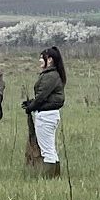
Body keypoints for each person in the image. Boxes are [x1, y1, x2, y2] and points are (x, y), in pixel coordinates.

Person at [21, 46, 67, 178]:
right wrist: (32, 104)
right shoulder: (54, 74)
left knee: (47, 151)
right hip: (50, 115)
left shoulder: (50, 76)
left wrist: (31, 107)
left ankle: (48, 178)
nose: (40, 60)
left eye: (42, 58)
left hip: (46, 116)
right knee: (50, 148)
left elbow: (41, 96)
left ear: (50, 60)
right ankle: (56, 176)